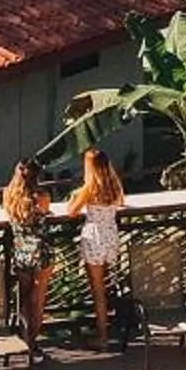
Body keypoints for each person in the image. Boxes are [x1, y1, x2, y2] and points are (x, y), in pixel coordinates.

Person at [67, 146, 127, 348]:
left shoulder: (89, 189)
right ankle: (110, 328)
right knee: (106, 285)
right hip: (110, 235)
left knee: (97, 289)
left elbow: (72, 212)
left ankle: (102, 335)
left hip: (94, 238)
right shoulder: (114, 185)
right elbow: (121, 203)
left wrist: (75, 196)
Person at [0, 161, 52, 348]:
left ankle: (23, 337)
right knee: (37, 300)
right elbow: (45, 212)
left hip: (21, 251)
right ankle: (32, 342)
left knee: (24, 297)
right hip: (40, 252)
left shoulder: (9, 195)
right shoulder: (42, 196)